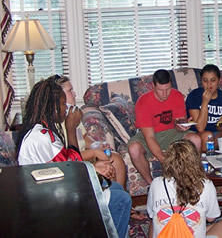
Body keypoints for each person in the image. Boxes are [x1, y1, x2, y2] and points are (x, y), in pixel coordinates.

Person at [17, 78, 131, 238]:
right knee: (122, 200)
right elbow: (69, 170)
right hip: (50, 199)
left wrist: (95, 169)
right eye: (63, 104)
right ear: (53, 108)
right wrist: (94, 169)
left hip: (57, 187)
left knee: (117, 189)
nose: (65, 109)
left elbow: (67, 164)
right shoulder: (41, 136)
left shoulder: (44, 129)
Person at [147, 139, 222, 238]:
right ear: (195, 159)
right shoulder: (206, 184)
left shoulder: (156, 183)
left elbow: (151, 213)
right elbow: (211, 218)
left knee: (154, 222)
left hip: (166, 234)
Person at [52, 75, 127, 188]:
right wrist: (95, 153)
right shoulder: (56, 122)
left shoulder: (73, 113)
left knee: (116, 158)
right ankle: (112, 198)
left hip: (84, 155)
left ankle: (121, 196)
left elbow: (84, 136)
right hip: (73, 163)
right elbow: (67, 157)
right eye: (70, 91)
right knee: (108, 164)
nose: (74, 93)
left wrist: (97, 145)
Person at [128, 69, 201, 185]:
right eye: (160, 90)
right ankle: (151, 185)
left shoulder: (177, 95)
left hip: (172, 133)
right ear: (153, 86)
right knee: (134, 149)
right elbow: (149, 137)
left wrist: (181, 126)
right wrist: (165, 160)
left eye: (168, 89)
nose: (165, 94)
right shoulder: (143, 101)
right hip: (150, 134)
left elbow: (177, 123)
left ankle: (192, 180)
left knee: (195, 139)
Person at [186, 64, 222, 150]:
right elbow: (200, 128)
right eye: (205, 80)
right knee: (207, 135)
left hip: (216, 134)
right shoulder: (194, 96)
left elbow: (219, 127)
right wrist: (205, 102)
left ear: (219, 80)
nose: (209, 84)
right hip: (197, 134)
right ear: (201, 81)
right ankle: (204, 162)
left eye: (213, 80)